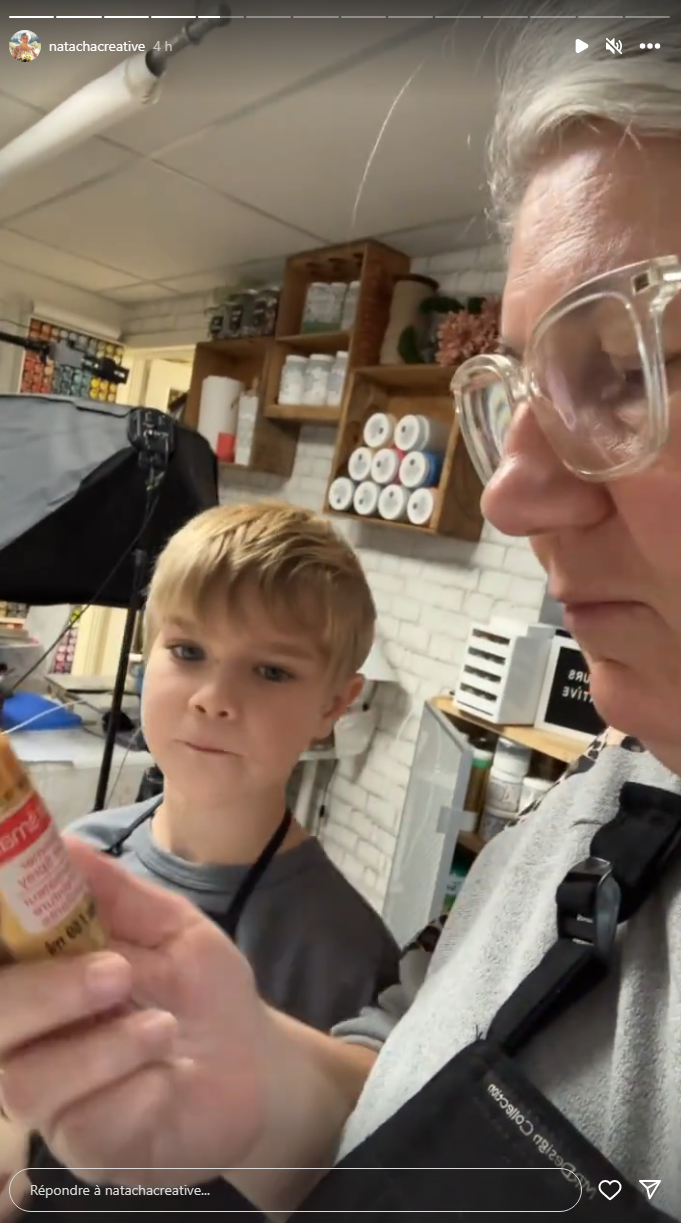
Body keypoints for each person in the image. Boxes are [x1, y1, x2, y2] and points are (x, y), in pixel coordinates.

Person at [1, 2, 681, 1218]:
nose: (513, 496)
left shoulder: (335, 934)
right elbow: (391, 1118)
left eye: (627, 367)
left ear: (334, 704)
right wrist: (258, 1093)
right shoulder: (567, 840)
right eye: (515, 391)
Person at [2, 501, 399, 1216]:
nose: (215, 698)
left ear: (334, 705)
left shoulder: (343, 950)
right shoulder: (85, 854)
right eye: (188, 652)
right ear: (147, 649)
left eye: (271, 671)